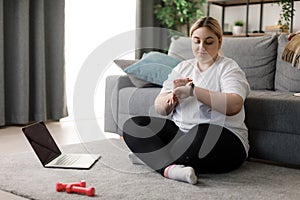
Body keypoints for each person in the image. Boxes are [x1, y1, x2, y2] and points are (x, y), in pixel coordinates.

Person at [122, 16, 250, 185]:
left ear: (219, 42)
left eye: (208, 42)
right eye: (196, 41)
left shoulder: (228, 68)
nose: (201, 47)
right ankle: (169, 168)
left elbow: (234, 104)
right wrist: (171, 98)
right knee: (133, 125)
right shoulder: (182, 67)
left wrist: (193, 91)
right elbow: (160, 108)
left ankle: (151, 157)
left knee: (202, 131)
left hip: (224, 138)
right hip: (181, 134)